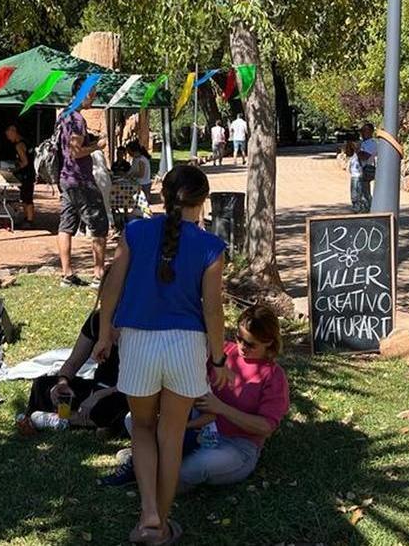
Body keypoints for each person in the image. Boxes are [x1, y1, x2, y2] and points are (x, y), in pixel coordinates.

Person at [91, 164, 229, 546]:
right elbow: (214, 311)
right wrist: (219, 359)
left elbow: (111, 288)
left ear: (163, 194)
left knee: (144, 429)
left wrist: (104, 335)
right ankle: (161, 524)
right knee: (171, 435)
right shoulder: (211, 246)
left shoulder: (135, 232)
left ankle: (148, 512)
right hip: (187, 346)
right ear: (202, 202)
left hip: (138, 341)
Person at [104, 306, 290, 493]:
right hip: (197, 428)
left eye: (250, 344)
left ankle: (145, 460)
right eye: (239, 338)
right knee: (133, 420)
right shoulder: (224, 352)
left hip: (237, 444)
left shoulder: (274, 376)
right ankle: (148, 460)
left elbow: (266, 427)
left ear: (269, 342)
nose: (242, 347)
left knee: (193, 468)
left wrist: (221, 408)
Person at [19, 288, 128, 433]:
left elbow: (139, 384)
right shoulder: (96, 320)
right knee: (42, 384)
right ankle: (76, 421)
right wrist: (62, 382)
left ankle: (65, 420)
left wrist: (100, 395)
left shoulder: (137, 329)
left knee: (113, 407)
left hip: (122, 391)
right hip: (96, 386)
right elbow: (73, 362)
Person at [57, 80, 110, 287]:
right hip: (81, 181)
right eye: (92, 93)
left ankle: (67, 275)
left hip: (66, 179)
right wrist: (97, 145)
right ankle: (98, 275)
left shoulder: (64, 115)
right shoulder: (77, 119)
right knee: (99, 226)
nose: (94, 97)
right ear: (81, 93)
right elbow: (75, 152)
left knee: (66, 226)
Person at [5, 124, 37, 226]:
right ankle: (27, 217)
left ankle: (29, 220)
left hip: (26, 175)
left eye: (9, 135)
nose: (8, 138)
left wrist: (14, 169)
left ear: (13, 132)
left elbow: (25, 162)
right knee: (25, 196)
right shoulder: (26, 142)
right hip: (30, 173)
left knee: (27, 198)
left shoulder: (19, 145)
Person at [356, 123, 377, 211]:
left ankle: (369, 209)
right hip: (358, 171)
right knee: (359, 193)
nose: (362, 133)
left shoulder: (372, 143)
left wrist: (357, 150)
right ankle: (363, 209)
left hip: (366, 169)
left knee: (365, 192)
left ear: (370, 132)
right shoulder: (363, 143)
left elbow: (365, 156)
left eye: (364, 131)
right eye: (361, 131)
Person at [344, 140, 367, 213]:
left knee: (357, 194)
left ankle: (360, 208)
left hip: (358, 176)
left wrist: (356, 148)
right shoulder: (353, 155)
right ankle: (357, 208)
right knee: (355, 194)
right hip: (354, 176)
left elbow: (363, 159)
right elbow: (348, 153)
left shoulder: (360, 153)